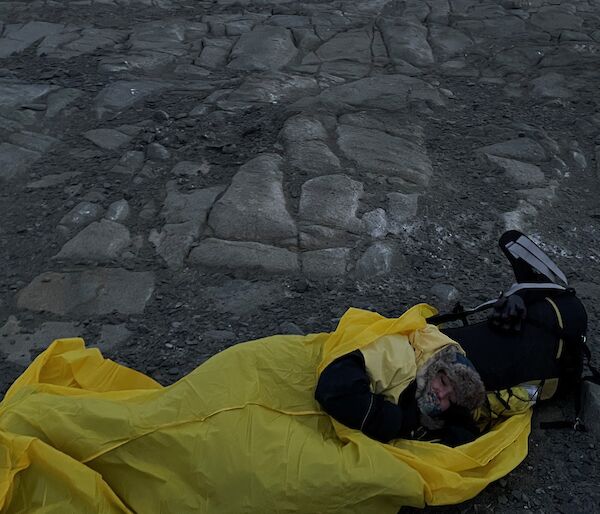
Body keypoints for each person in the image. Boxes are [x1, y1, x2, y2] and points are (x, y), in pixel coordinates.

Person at [315, 323, 486, 446]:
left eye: (450, 398)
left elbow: (464, 427)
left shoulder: (433, 408)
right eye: (442, 382)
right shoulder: (400, 356)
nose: (441, 394)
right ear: (435, 367)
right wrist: (394, 420)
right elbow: (335, 386)